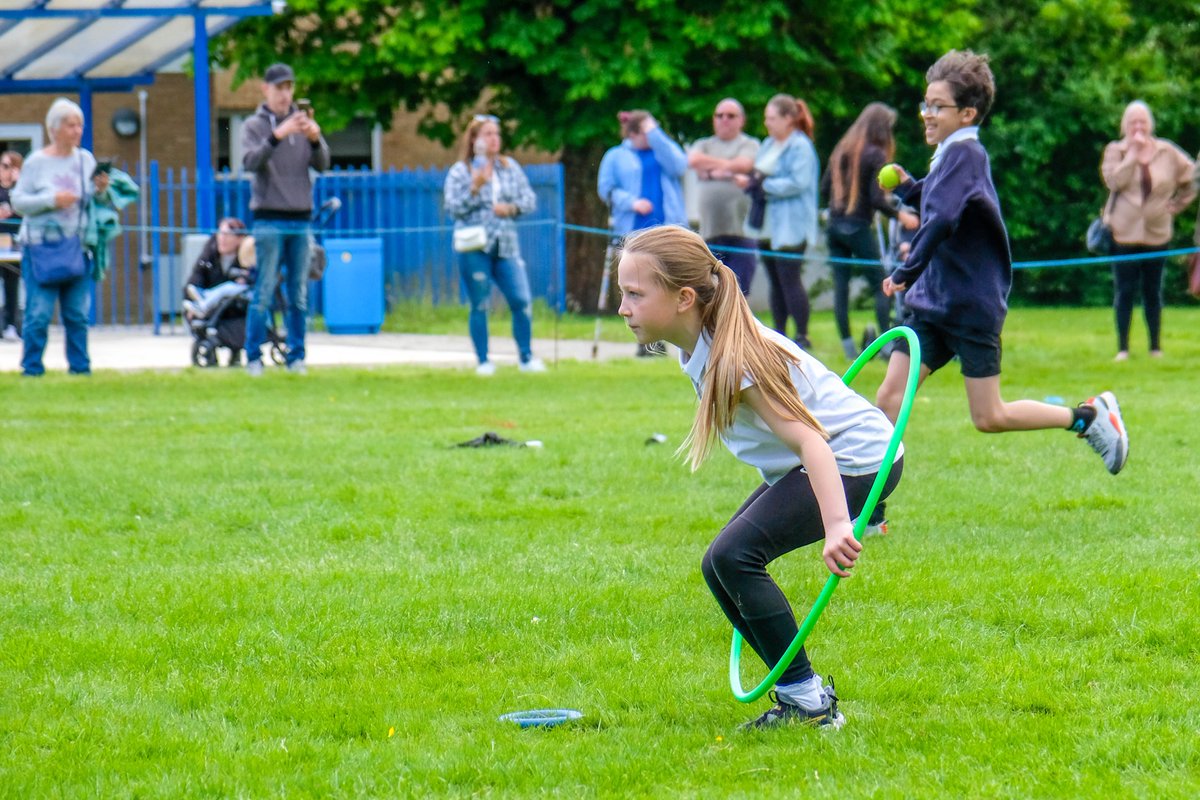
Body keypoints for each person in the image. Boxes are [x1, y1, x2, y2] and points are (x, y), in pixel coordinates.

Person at [616, 225, 903, 730]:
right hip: (820, 460)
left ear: (684, 298)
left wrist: (841, 524)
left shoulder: (737, 358)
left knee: (735, 555)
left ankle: (809, 704)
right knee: (717, 563)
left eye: (635, 294)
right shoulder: (698, 346)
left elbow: (812, 440)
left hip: (857, 459)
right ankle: (802, 695)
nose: (623, 307)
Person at [875, 50, 1130, 492]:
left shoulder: (966, 154)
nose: (927, 114)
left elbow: (942, 220)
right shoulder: (949, 156)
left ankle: (1086, 417)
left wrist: (905, 271)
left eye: (938, 106)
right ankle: (869, 508)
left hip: (970, 308)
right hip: (933, 306)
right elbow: (941, 203)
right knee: (888, 398)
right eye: (926, 104)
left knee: (989, 417)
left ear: (967, 113)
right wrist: (911, 187)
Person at [240, 62, 330, 377]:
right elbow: (250, 162)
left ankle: (297, 357)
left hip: (301, 219)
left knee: (298, 293)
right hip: (269, 220)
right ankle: (253, 357)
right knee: (264, 290)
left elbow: (323, 164)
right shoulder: (254, 125)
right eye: (279, 88)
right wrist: (277, 135)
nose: (285, 94)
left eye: (289, 87)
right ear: (266, 89)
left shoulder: (304, 126)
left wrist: (316, 138)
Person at [12, 99, 112, 377]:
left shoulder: (84, 159)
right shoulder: (36, 162)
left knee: (77, 314)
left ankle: (80, 370)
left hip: (77, 247)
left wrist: (101, 190)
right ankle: (32, 369)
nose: (78, 130)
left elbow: (92, 200)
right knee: (39, 314)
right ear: (54, 129)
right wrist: (51, 200)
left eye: (80, 125)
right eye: (71, 125)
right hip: (41, 246)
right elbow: (18, 201)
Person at [443, 113, 544, 375]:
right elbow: (453, 208)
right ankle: (484, 361)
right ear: (474, 139)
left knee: (521, 300)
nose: (494, 139)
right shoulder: (460, 172)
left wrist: (509, 208)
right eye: (488, 134)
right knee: (480, 303)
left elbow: (529, 200)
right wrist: (474, 188)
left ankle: (526, 357)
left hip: (506, 245)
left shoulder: (509, 167)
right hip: (474, 247)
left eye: (497, 134)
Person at [821, 103, 919, 360]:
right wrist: (901, 215)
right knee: (882, 284)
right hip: (857, 226)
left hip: (834, 226)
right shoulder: (875, 154)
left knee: (840, 287)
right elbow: (876, 199)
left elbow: (824, 189)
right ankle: (886, 346)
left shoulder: (842, 149)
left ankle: (848, 347)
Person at [1100, 101, 1196, 361]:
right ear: (1125, 126)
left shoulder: (1166, 151)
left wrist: (1178, 204)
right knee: (1124, 290)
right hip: (1123, 234)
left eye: (1142, 122)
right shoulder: (1115, 150)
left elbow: (1193, 178)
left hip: (1157, 234)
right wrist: (1131, 156)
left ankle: (1155, 347)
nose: (1138, 128)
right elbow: (1112, 182)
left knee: (1153, 291)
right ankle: (1123, 348)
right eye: (1133, 123)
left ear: (1150, 124)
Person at [598, 109, 688, 356]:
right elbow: (605, 189)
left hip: (666, 229)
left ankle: (668, 336)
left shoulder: (662, 153)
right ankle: (645, 341)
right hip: (633, 233)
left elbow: (681, 165)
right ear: (634, 133)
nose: (652, 136)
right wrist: (631, 202)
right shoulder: (615, 156)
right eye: (647, 131)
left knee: (666, 285)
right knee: (639, 288)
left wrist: (655, 133)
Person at [736, 94, 819, 349]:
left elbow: (798, 182)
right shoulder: (768, 144)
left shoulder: (800, 147)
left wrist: (764, 185)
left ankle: (802, 334)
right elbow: (759, 171)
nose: (767, 123)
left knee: (789, 278)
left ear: (788, 119)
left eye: (772, 118)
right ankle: (779, 332)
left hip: (791, 226)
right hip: (768, 225)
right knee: (774, 280)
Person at [688, 99, 759, 294]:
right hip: (709, 234)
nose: (724, 120)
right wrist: (729, 169)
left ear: (741, 120)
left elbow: (745, 164)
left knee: (738, 292)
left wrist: (710, 170)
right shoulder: (703, 144)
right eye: (719, 115)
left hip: (741, 233)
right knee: (709, 292)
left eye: (731, 116)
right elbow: (694, 160)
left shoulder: (750, 144)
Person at [183, 218, 254, 320]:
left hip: (238, 305)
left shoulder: (248, 255)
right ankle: (202, 300)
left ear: (240, 238)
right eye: (220, 233)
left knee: (228, 288)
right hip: (218, 305)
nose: (222, 238)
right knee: (225, 289)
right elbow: (197, 275)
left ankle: (203, 302)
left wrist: (245, 278)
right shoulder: (210, 251)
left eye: (227, 234)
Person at [0, 150, 23, 342]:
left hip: (13, 246)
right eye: (2, 165)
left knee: (12, 285)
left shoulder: (20, 192)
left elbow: (25, 213)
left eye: (8, 166)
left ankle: (12, 325)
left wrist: (17, 185)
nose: (3, 170)